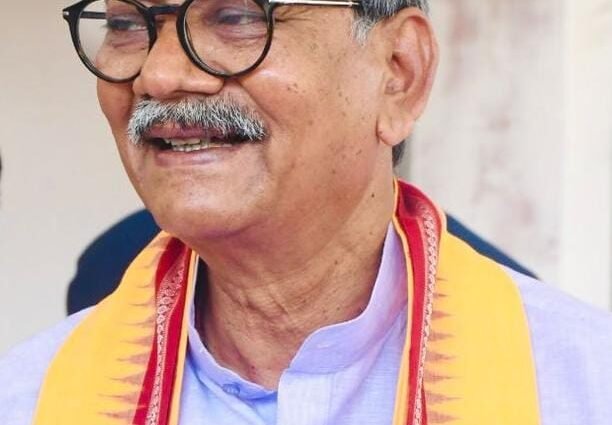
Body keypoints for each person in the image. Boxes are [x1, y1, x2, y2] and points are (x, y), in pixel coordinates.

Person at [1, 1, 611, 424]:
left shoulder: (583, 387)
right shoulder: (27, 398)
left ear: (399, 73)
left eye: (237, 17)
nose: (158, 75)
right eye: (126, 25)